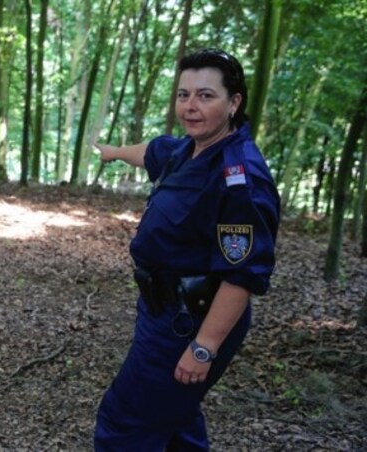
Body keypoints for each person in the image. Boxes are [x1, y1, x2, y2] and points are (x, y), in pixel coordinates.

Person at [92, 48, 280, 451]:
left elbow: (242, 274)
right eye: (183, 95)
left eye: (205, 96)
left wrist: (203, 347)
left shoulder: (239, 177)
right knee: (177, 422)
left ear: (234, 103)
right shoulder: (188, 150)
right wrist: (112, 153)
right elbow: (152, 152)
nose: (190, 106)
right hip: (160, 311)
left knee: (124, 422)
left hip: (190, 322)